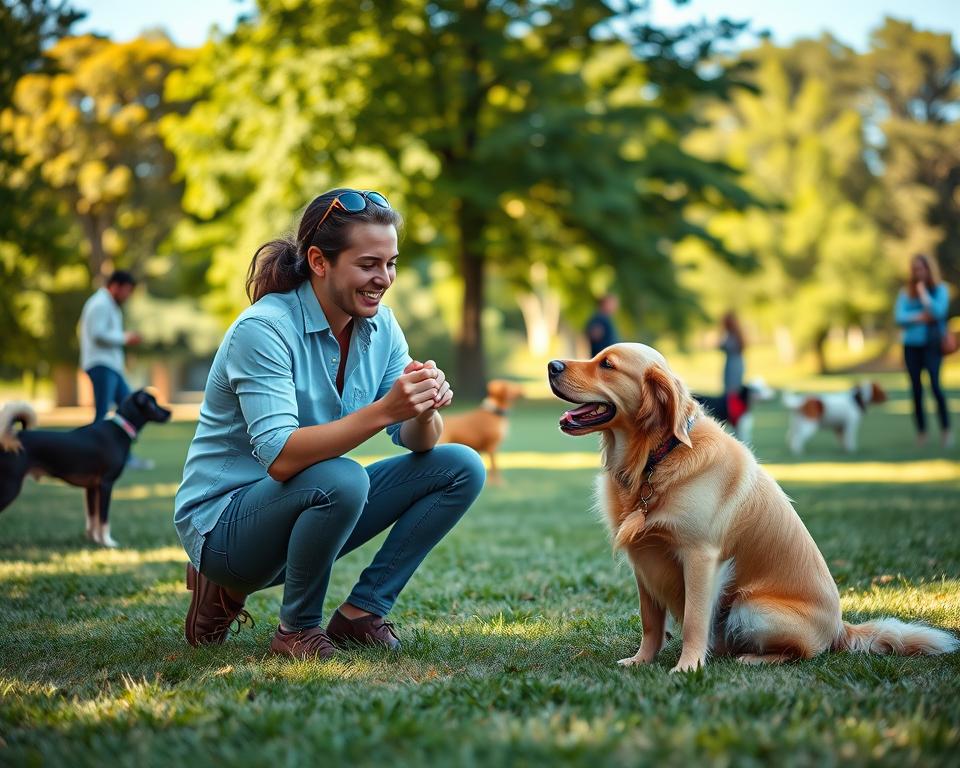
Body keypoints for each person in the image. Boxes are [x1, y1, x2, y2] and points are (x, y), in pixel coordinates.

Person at [174, 188, 486, 660]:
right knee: (341, 477)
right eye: (368, 264)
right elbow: (280, 460)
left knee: (459, 465)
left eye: (391, 263)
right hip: (225, 527)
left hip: (304, 506)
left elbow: (416, 441)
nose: (383, 279)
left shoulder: (381, 326)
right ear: (319, 262)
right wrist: (385, 409)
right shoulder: (264, 329)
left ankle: (362, 613)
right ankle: (294, 629)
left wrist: (422, 407)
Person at [78, 270, 152, 470]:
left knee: (129, 409)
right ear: (115, 286)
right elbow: (97, 334)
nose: (127, 296)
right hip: (101, 365)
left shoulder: (110, 305)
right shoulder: (100, 304)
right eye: (127, 290)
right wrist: (125, 337)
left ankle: (123, 455)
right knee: (102, 413)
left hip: (111, 366)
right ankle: (93, 456)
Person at [895, 253, 953, 448]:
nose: (918, 272)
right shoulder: (905, 293)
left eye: (921, 268)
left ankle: (946, 430)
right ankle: (922, 433)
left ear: (929, 269)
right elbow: (899, 317)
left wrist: (924, 295)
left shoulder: (940, 289)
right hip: (911, 346)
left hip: (932, 345)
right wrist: (921, 316)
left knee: (936, 387)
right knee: (916, 390)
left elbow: (939, 312)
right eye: (915, 269)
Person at [719, 311, 745, 394]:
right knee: (729, 385)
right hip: (731, 361)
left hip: (734, 362)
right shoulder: (730, 334)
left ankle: (733, 405)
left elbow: (730, 347)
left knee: (733, 386)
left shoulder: (734, 334)